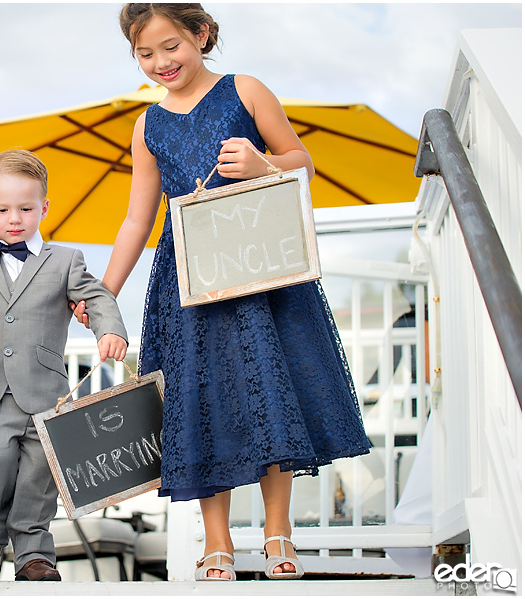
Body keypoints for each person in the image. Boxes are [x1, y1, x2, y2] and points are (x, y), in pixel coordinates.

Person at [73, 4, 371, 581]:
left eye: (172, 47)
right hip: (188, 281)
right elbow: (137, 220)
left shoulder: (246, 89)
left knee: (271, 390)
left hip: (260, 270)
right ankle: (217, 544)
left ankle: (278, 533)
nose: (161, 62)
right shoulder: (147, 126)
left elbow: (301, 164)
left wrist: (262, 164)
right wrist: (102, 290)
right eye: (145, 53)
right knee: (200, 402)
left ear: (202, 35)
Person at [0, 149, 129, 582]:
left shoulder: (65, 260)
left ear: (43, 208)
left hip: (46, 390)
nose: (14, 218)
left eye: (26, 209)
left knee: (39, 472)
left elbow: (97, 295)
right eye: (3, 209)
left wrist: (110, 329)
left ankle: (32, 552)